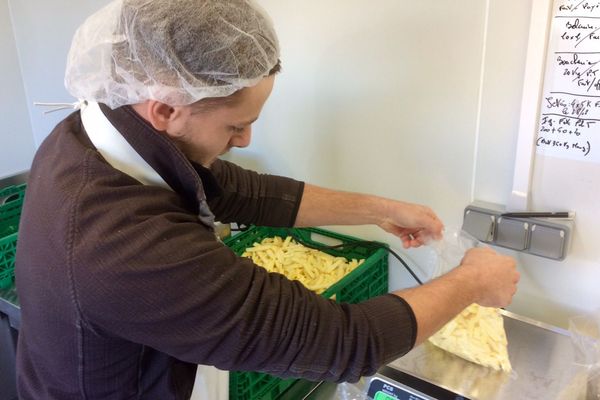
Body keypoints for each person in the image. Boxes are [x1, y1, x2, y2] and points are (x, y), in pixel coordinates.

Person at [15, 0, 520, 399]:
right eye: (237, 126)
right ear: (166, 109)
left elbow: (241, 190)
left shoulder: (100, 127)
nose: (247, 141)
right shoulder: (122, 247)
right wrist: (472, 280)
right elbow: (344, 343)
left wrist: (381, 210)